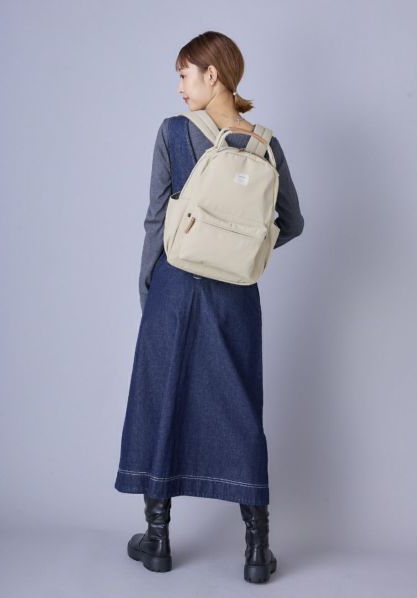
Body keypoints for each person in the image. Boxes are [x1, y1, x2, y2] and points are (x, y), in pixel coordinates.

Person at [114, 31, 305, 583]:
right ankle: (256, 550)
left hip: (175, 288)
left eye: (184, 73)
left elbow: (156, 219)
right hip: (235, 296)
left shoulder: (173, 133)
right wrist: (241, 251)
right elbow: (292, 223)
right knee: (239, 407)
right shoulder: (265, 144)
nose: (179, 86)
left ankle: (157, 540)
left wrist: (149, 288)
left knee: (162, 399)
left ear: (212, 74)